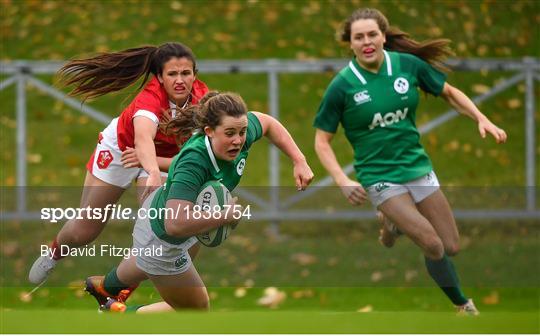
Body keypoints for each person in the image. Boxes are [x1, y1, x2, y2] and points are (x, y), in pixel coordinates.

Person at [313, 8, 507, 315]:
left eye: (372, 35)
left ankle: (391, 224)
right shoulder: (343, 85)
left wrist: (482, 119)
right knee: (432, 244)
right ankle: (463, 305)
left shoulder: (407, 65)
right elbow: (322, 140)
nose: (366, 42)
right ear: (349, 43)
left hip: (417, 168)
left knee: (450, 246)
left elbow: (449, 92)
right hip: (379, 175)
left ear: (383, 37)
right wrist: (342, 179)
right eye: (358, 37)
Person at [84, 91, 314, 313]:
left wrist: (299, 160)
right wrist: (224, 216)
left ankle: (106, 287)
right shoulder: (194, 162)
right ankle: (119, 316)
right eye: (230, 133)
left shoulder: (239, 135)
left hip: (170, 215)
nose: (238, 140)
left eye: (242, 131)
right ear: (209, 131)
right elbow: (174, 224)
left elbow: (268, 124)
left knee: (152, 256)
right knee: (195, 309)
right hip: (164, 234)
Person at [28, 43, 209, 287]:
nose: (180, 80)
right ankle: (54, 253)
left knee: (163, 227)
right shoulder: (150, 98)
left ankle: (119, 287)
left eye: (186, 73)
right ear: (160, 78)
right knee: (85, 229)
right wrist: (153, 170)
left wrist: (155, 166)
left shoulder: (203, 100)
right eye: (172, 74)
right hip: (122, 149)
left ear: (194, 75)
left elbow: (201, 150)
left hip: (161, 158)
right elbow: (142, 139)